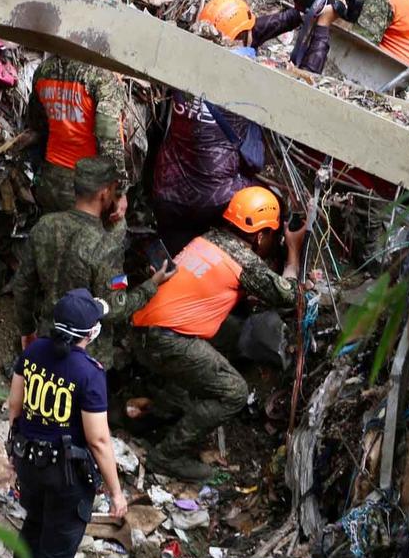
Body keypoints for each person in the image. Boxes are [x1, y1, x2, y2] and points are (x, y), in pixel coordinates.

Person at [131, 187, 306, 480]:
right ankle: (167, 455)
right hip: (167, 340)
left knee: (234, 333)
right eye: (271, 236)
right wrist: (293, 251)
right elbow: (290, 295)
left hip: (144, 328)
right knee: (234, 392)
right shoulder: (245, 261)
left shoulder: (207, 239)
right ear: (261, 236)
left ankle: (163, 409)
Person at [151, 0, 339, 255]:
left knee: (174, 258)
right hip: (214, 199)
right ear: (243, 35)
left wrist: (296, 16)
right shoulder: (248, 80)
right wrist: (322, 27)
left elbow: (244, 35)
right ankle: (274, 265)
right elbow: (303, 93)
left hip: (165, 191)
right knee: (274, 207)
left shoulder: (188, 57)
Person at [6, 288, 128, 558]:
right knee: (57, 554)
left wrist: (13, 451)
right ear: (90, 333)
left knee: (34, 523)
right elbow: (98, 440)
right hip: (65, 475)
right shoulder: (89, 373)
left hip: (29, 462)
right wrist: (116, 493)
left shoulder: (33, 351)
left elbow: (14, 406)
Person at [14, 156, 175, 364]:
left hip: (49, 339)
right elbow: (116, 307)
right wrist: (151, 285)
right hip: (87, 355)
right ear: (104, 193)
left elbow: (23, 285)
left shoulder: (44, 226)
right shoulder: (106, 246)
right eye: (114, 190)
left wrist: (27, 330)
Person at [28, 55, 130, 214]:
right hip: (86, 189)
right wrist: (118, 191)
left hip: (50, 181)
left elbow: (37, 122)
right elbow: (108, 136)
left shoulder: (43, 70)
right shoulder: (101, 75)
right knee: (108, 228)